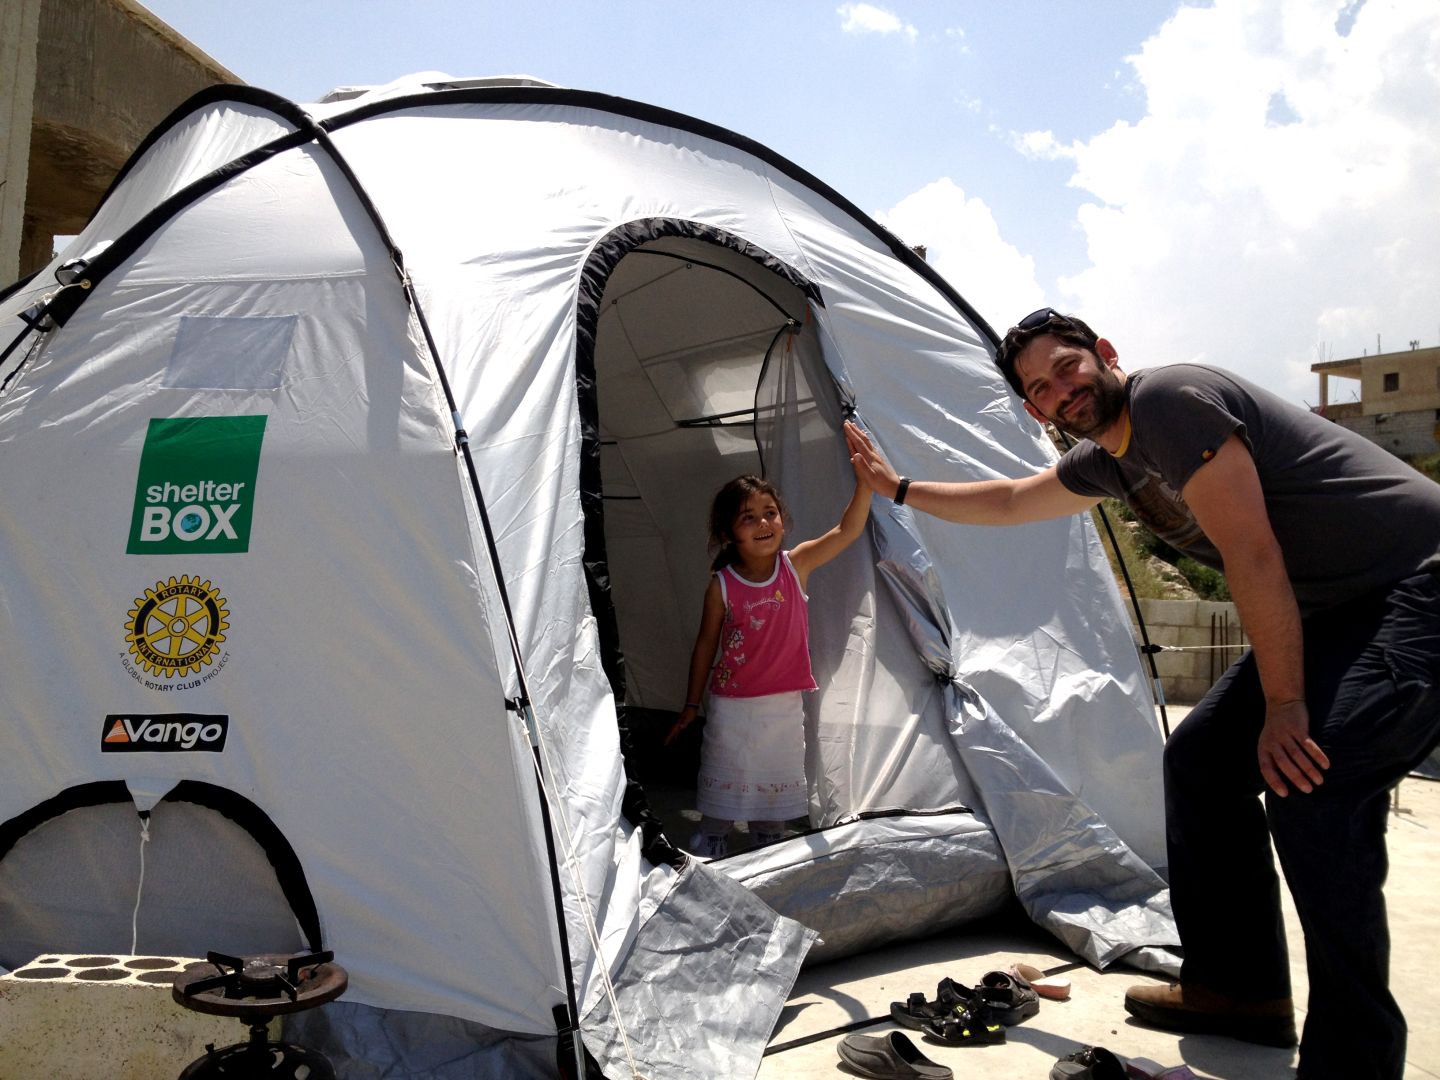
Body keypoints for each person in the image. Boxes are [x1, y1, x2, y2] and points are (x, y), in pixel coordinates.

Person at [844, 309, 1440, 1080]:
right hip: (1334, 612)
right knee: (1200, 760)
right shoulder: (1111, 461)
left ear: (1105, 355)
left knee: (1311, 787)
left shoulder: (1171, 399)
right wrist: (899, 489)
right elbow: (1013, 500)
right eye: (1040, 389)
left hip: (1415, 589)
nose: (1061, 391)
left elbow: (1253, 555)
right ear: (1033, 410)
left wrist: (1287, 707)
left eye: (1067, 367)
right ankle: (1237, 991)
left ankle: (1354, 1061)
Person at [667, 470, 873, 858]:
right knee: (726, 766)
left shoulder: (796, 566)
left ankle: (769, 836)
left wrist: (865, 484)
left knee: (775, 773)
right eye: (749, 517)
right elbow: (705, 646)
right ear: (729, 534)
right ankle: (714, 834)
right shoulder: (722, 585)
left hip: (783, 703)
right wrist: (691, 706)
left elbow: (847, 531)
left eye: (771, 513)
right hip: (732, 704)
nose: (764, 523)